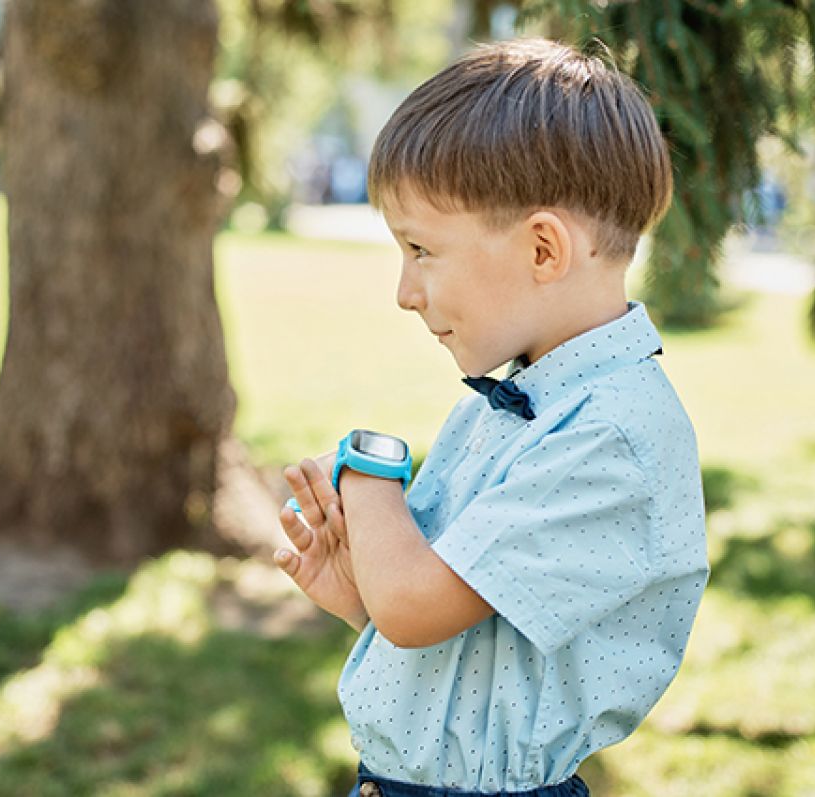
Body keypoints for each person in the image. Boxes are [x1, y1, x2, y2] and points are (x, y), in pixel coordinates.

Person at [274, 37, 709, 797]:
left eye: (421, 250)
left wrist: (369, 474)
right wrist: (360, 594)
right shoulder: (517, 406)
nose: (405, 291)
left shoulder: (608, 434)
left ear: (543, 248)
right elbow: (470, 652)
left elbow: (415, 604)